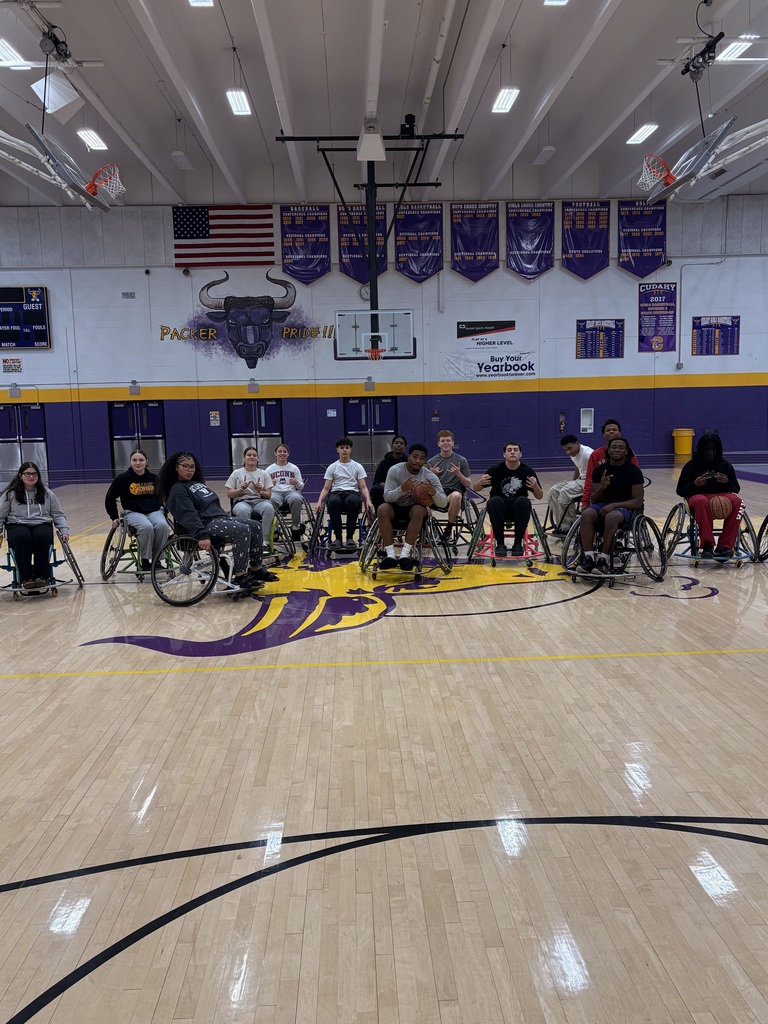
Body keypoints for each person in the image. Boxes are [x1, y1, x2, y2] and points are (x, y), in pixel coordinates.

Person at [156, 451, 277, 587]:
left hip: (219, 518)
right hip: (205, 523)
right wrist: (202, 535)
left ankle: (256, 569)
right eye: (185, 466)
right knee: (242, 530)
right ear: (175, 467)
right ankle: (240, 576)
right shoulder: (178, 490)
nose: (189, 470)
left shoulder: (194, 483)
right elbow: (188, 515)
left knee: (255, 526)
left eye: (192, 466)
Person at [0, 461, 69, 591]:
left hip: (41, 523)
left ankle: (41, 577)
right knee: (22, 538)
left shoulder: (47, 494)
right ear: (20, 476)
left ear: (38, 476)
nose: (31, 476)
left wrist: (64, 530)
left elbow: (58, 514)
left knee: (41, 536)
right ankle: (25, 578)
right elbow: (0, 515)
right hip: (17, 524)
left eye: (34, 474)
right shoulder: (10, 494)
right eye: (27, 474)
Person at [579, 436, 644, 574]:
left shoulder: (634, 471)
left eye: (621, 447)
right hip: (603, 504)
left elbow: (638, 501)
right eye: (614, 447)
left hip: (626, 507)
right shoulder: (599, 471)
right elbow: (594, 500)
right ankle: (589, 558)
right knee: (586, 514)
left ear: (626, 452)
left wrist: (614, 506)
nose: (617, 450)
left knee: (612, 516)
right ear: (608, 450)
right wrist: (602, 487)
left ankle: (604, 559)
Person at [378, 443, 448, 570]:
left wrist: (433, 493)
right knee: (382, 508)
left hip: (415, 511)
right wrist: (401, 489)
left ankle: (405, 555)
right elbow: (387, 497)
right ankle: (390, 555)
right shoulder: (395, 470)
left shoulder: (429, 476)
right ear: (408, 456)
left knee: (418, 510)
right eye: (415, 457)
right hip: (395, 507)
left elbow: (443, 503)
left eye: (422, 458)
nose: (418, 461)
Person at [675, 432, 743, 559]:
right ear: (701, 450)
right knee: (701, 500)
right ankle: (707, 544)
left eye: (713, 450)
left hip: (723, 496)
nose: (710, 453)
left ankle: (725, 545)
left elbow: (736, 489)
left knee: (738, 502)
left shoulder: (725, 465)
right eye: (707, 450)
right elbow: (680, 490)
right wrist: (694, 484)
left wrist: (727, 482)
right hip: (699, 496)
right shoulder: (691, 466)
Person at [104, 449, 169, 570]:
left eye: (141, 460)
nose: (138, 463)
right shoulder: (122, 479)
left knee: (162, 525)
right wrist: (114, 517)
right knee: (146, 527)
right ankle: (145, 561)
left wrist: (165, 510)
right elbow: (110, 498)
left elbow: (163, 496)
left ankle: (157, 560)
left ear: (146, 462)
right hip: (133, 512)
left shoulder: (154, 478)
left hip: (153, 510)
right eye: (134, 460)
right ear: (130, 462)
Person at [477, 442, 543, 558]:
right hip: (498, 508)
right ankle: (500, 544)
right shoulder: (495, 470)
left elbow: (539, 496)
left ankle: (518, 544)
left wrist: (535, 487)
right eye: (509, 450)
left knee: (524, 501)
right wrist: (480, 482)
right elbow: (475, 488)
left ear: (520, 454)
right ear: (504, 454)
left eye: (515, 450)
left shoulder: (527, 471)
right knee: (494, 501)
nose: (512, 452)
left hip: (518, 509)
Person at [316, 437, 374, 552]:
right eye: (342, 448)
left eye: (347, 448)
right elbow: (326, 488)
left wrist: (368, 500)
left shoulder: (357, 466)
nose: (344, 450)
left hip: (352, 493)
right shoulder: (332, 467)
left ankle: (350, 538)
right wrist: (319, 502)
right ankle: (337, 538)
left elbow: (363, 487)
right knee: (333, 502)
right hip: (336, 493)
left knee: (352, 501)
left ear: (350, 450)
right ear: (337, 450)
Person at [225, 447, 275, 553]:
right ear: (244, 457)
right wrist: (240, 489)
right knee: (242, 510)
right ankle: (249, 541)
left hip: (259, 501)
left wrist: (260, 491)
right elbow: (229, 494)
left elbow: (269, 495)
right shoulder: (236, 473)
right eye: (249, 455)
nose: (252, 457)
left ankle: (263, 542)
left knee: (269, 507)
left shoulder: (263, 473)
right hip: (241, 501)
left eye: (254, 455)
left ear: (257, 458)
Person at [582, 418, 640, 507]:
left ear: (619, 433)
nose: (611, 432)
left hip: (624, 499)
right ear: (603, 434)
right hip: (602, 497)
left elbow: (637, 479)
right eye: (608, 430)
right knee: (588, 514)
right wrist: (585, 502)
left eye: (614, 430)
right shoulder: (596, 454)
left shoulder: (629, 454)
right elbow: (589, 480)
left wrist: (637, 500)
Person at [427, 430, 474, 541]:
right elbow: (423, 484)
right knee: (419, 499)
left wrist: (458, 474)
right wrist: (431, 475)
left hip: (452, 493)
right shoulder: (431, 461)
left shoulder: (461, 460)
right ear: (439, 444)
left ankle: (449, 528)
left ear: (453, 443)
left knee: (456, 496)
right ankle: (433, 530)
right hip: (437, 493)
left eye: (448, 440)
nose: (446, 443)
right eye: (443, 441)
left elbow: (469, 484)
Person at [547, 434, 594, 533]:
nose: (568, 452)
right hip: (580, 480)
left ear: (577, 443)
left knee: (565, 492)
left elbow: (597, 473)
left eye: (570, 448)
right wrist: (573, 482)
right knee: (554, 491)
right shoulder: (574, 453)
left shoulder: (588, 454)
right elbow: (578, 467)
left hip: (590, 481)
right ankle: (560, 525)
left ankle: (569, 526)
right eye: (565, 450)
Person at [265, 443, 306, 540]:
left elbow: (301, 487)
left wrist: (296, 482)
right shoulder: (269, 469)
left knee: (297, 498)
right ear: (275, 453)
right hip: (275, 492)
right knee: (270, 500)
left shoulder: (294, 468)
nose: (282, 453)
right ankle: (274, 528)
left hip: (290, 492)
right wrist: (270, 484)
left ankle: (295, 527)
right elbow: (264, 488)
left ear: (288, 454)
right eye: (280, 451)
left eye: (284, 451)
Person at [370, 435, 407, 509]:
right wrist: (390, 487)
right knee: (375, 490)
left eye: (401, 443)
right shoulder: (384, 463)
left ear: (405, 448)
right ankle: (380, 515)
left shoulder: (408, 462)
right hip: (388, 489)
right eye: (396, 443)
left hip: (405, 489)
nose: (399, 445)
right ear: (392, 445)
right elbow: (378, 482)